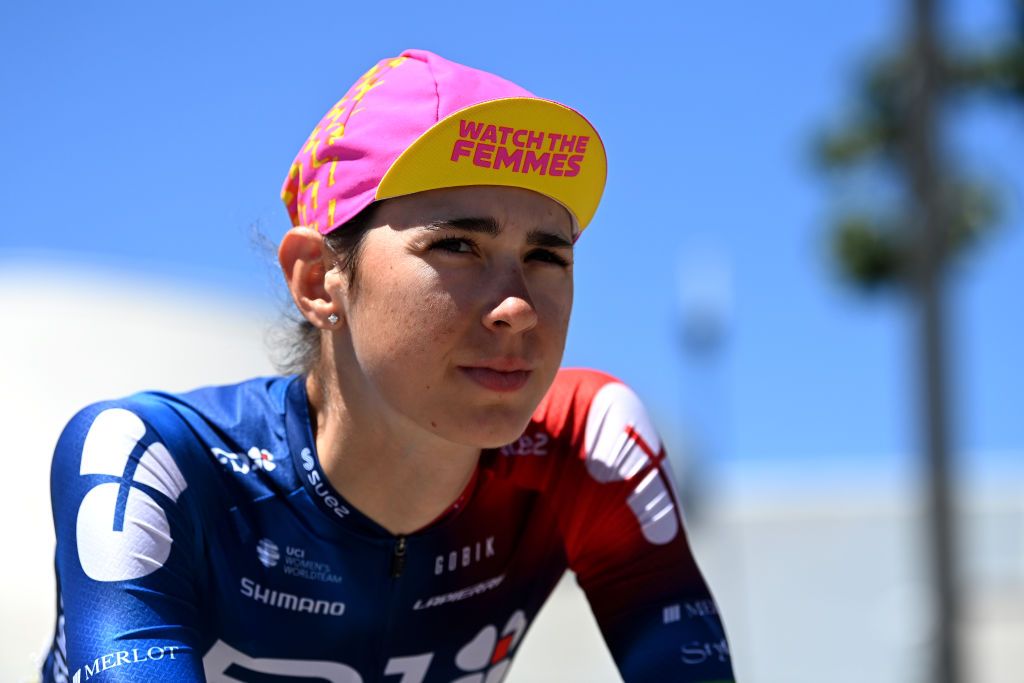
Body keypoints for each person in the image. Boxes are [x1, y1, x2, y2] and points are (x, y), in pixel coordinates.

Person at [42, 49, 735, 682]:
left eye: (547, 256)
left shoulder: (588, 443)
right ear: (318, 280)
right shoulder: (156, 460)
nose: (518, 306)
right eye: (457, 246)